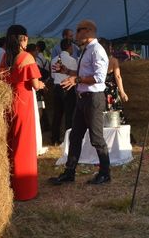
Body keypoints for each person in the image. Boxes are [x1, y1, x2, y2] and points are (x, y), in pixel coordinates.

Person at [49, 20, 111, 185]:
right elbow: (83, 73)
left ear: (88, 31)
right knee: (75, 137)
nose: (75, 35)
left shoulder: (97, 50)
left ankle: (105, 173)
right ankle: (69, 173)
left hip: (93, 99)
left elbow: (99, 77)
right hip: (83, 99)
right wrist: (67, 72)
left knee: (96, 138)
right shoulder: (87, 50)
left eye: (78, 31)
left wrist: (76, 79)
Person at [0, 24, 45, 201]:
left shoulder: (5, 57)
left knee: (10, 143)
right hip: (23, 103)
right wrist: (41, 85)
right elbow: (34, 84)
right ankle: (24, 190)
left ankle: (9, 186)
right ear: (23, 38)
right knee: (23, 144)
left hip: (8, 102)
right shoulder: (26, 57)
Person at [50, 38, 78, 145]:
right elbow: (75, 75)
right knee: (69, 115)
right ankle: (68, 139)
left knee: (57, 114)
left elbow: (52, 75)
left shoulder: (54, 60)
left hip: (57, 87)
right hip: (67, 88)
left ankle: (54, 139)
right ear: (70, 47)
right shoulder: (72, 60)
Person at [99, 38, 129, 119]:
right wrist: (122, 92)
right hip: (111, 91)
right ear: (109, 48)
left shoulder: (96, 61)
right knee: (114, 112)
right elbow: (118, 76)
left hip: (99, 90)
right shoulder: (113, 60)